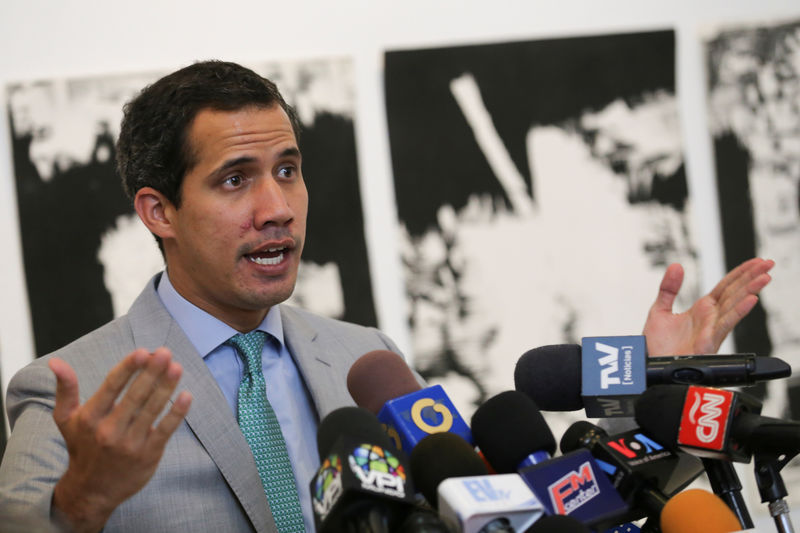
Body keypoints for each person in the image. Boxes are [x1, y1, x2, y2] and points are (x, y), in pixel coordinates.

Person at [0, 60, 774, 533]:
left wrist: (650, 389)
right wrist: (81, 504)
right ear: (157, 210)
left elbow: (490, 501)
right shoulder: (68, 390)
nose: (278, 206)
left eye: (289, 168)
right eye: (236, 179)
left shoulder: (364, 356)